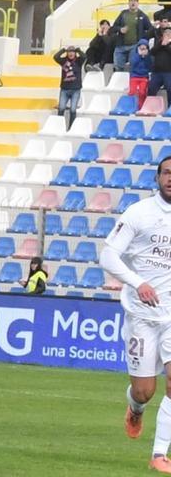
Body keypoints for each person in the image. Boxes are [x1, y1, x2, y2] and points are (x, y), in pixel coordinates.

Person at [100, 156, 171, 473]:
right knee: (145, 390)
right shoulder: (139, 213)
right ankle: (135, 407)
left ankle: (159, 454)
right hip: (141, 315)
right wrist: (137, 282)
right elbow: (108, 255)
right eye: (167, 172)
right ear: (157, 178)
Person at [114, 0, 155, 71]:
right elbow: (114, 26)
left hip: (134, 45)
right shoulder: (123, 14)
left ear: (138, 3)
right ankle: (119, 81)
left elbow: (150, 29)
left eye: (135, 1)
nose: (133, 2)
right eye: (131, 1)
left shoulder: (142, 15)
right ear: (128, 3)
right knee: (118, 66)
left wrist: (143, 40)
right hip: (121, 45)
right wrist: (120, 29)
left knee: (132, 65)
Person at [53, 45, 84, 129]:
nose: (71, 53)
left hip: (75, 90)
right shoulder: (63, 61)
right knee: (61, 108)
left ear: (75, 53)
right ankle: (58, 127)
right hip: (64, 89)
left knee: (73, 110)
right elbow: (55, 57)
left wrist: (78, 50)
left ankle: (71, 128)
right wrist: (63, 49)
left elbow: (84, 56)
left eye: (73, 52)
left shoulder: (78, 61)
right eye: (69, 52)